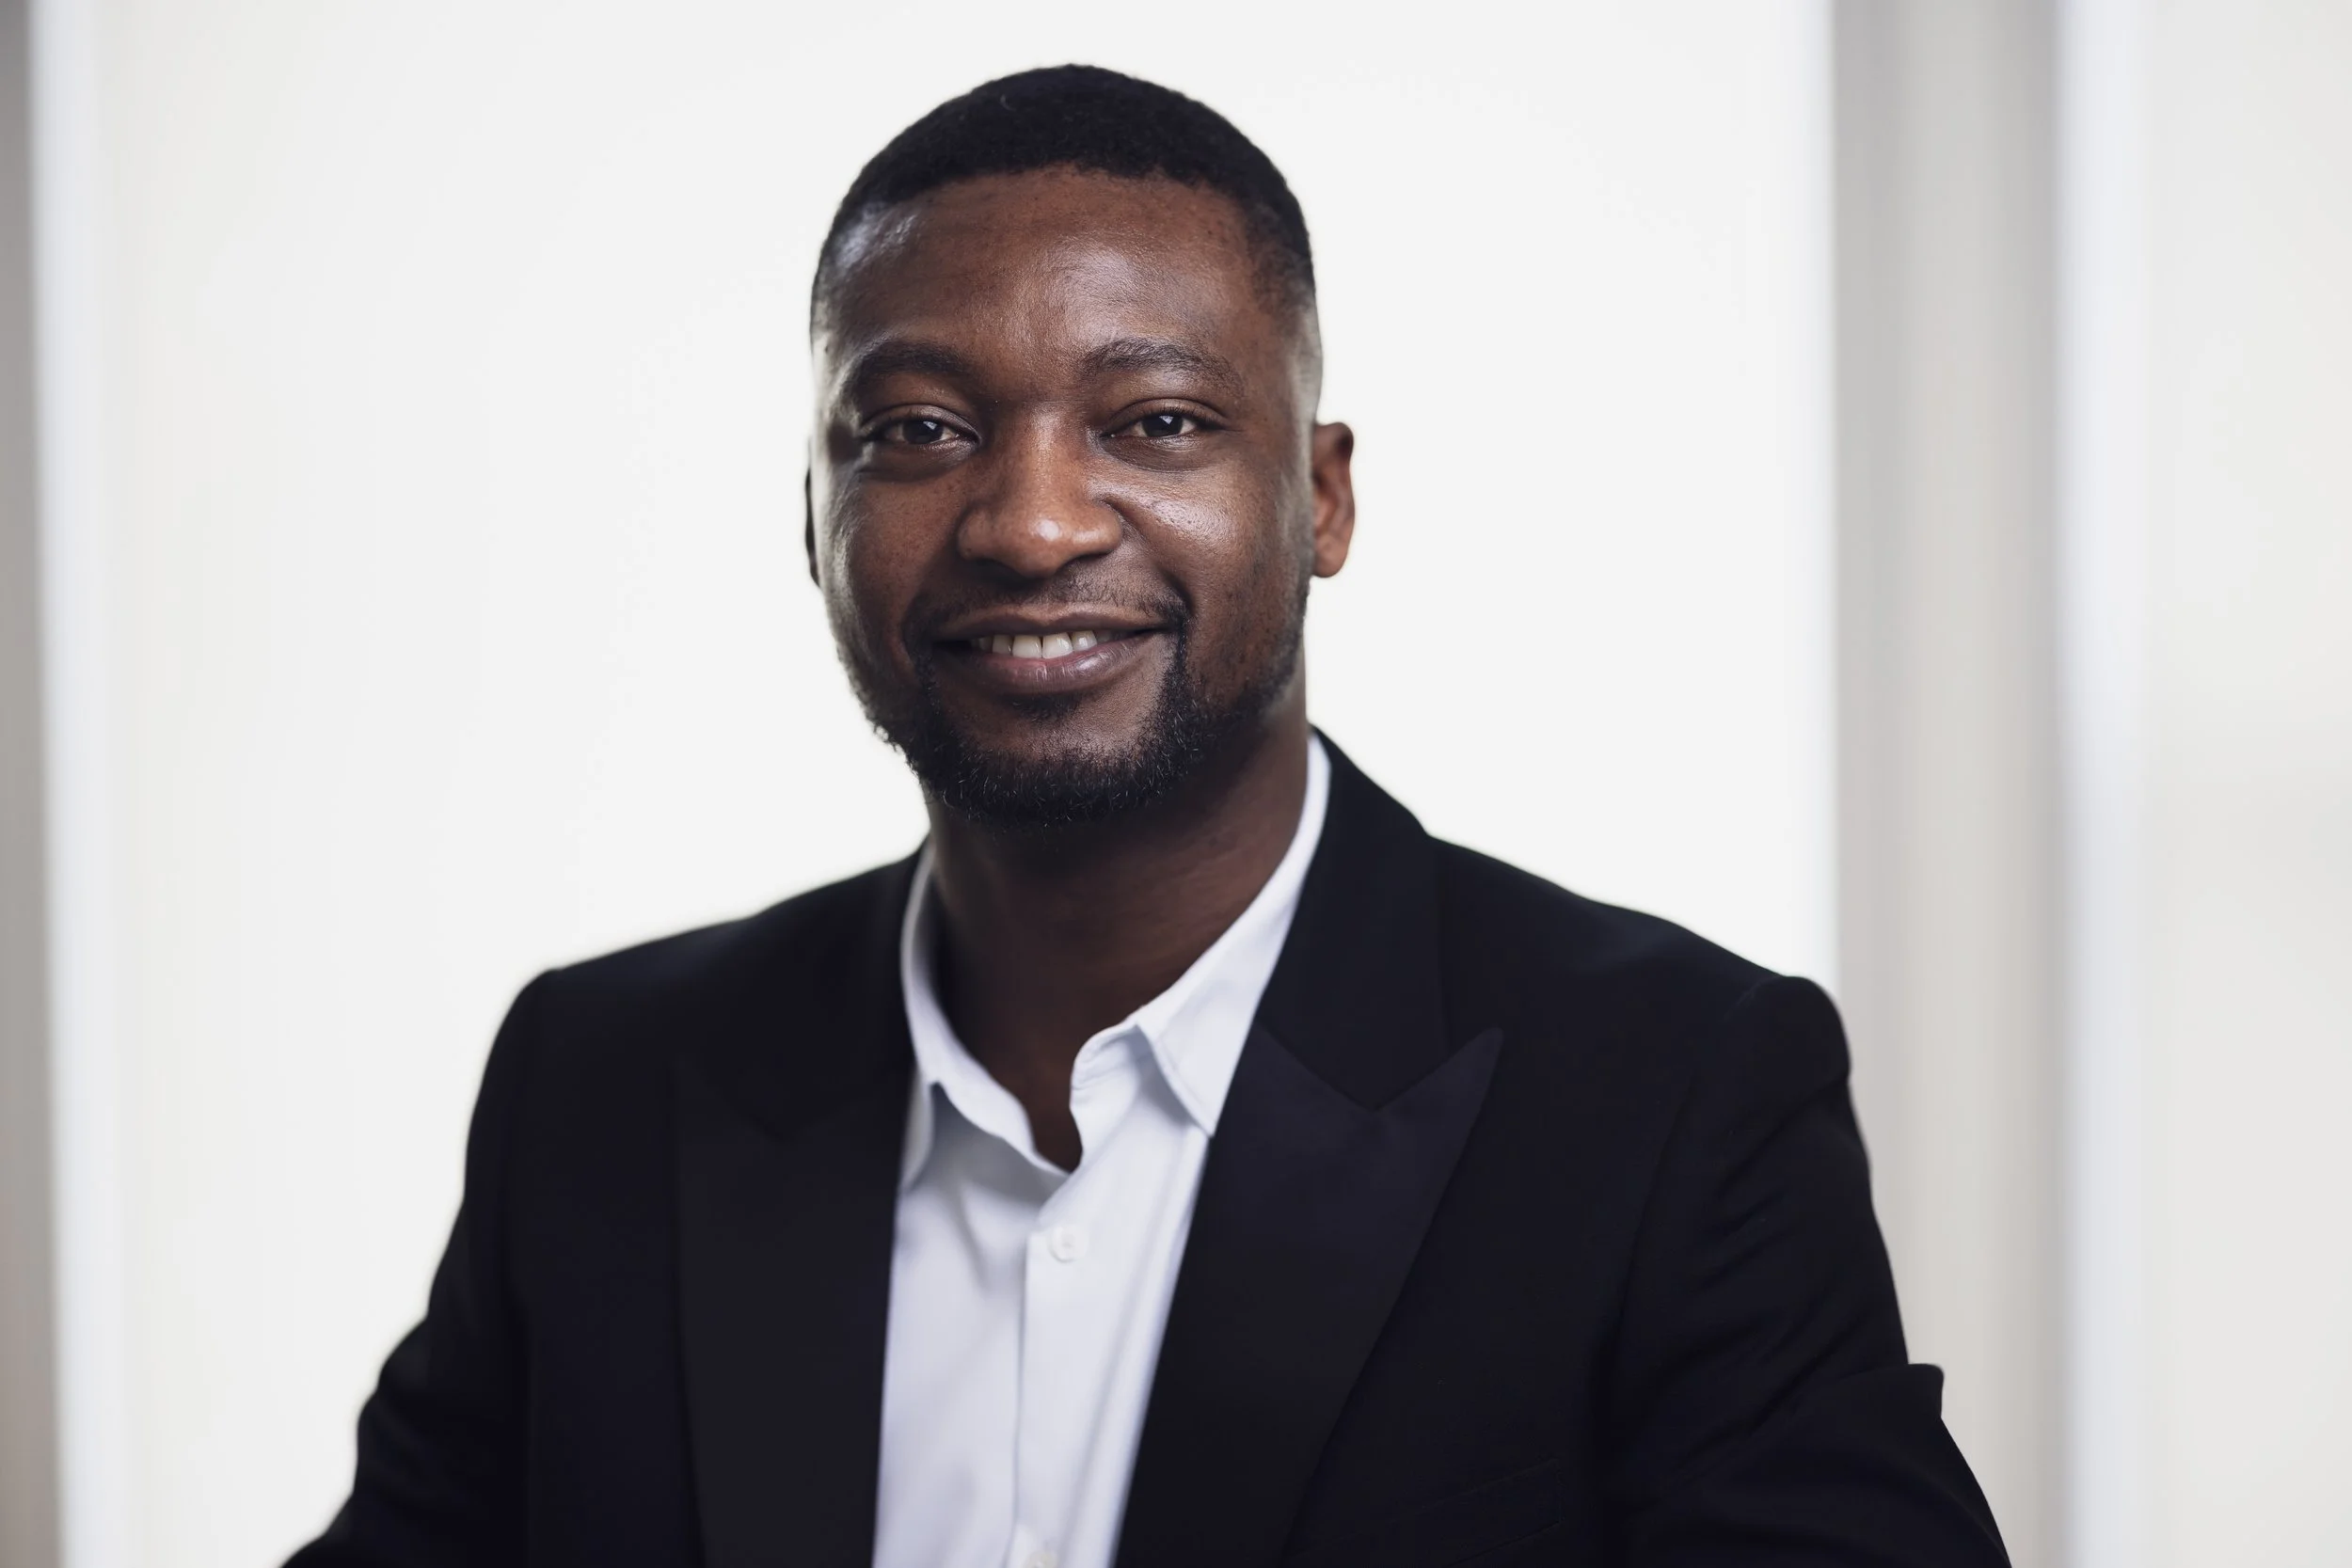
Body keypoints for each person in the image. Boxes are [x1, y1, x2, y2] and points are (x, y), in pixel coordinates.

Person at [291, 64, 2007, 1568]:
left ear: (1321, 497)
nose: (1033, 522)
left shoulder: (1671, 1098)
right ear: (813, 514)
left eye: (1158, 421)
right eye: (920, 428)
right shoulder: (600, 1083)